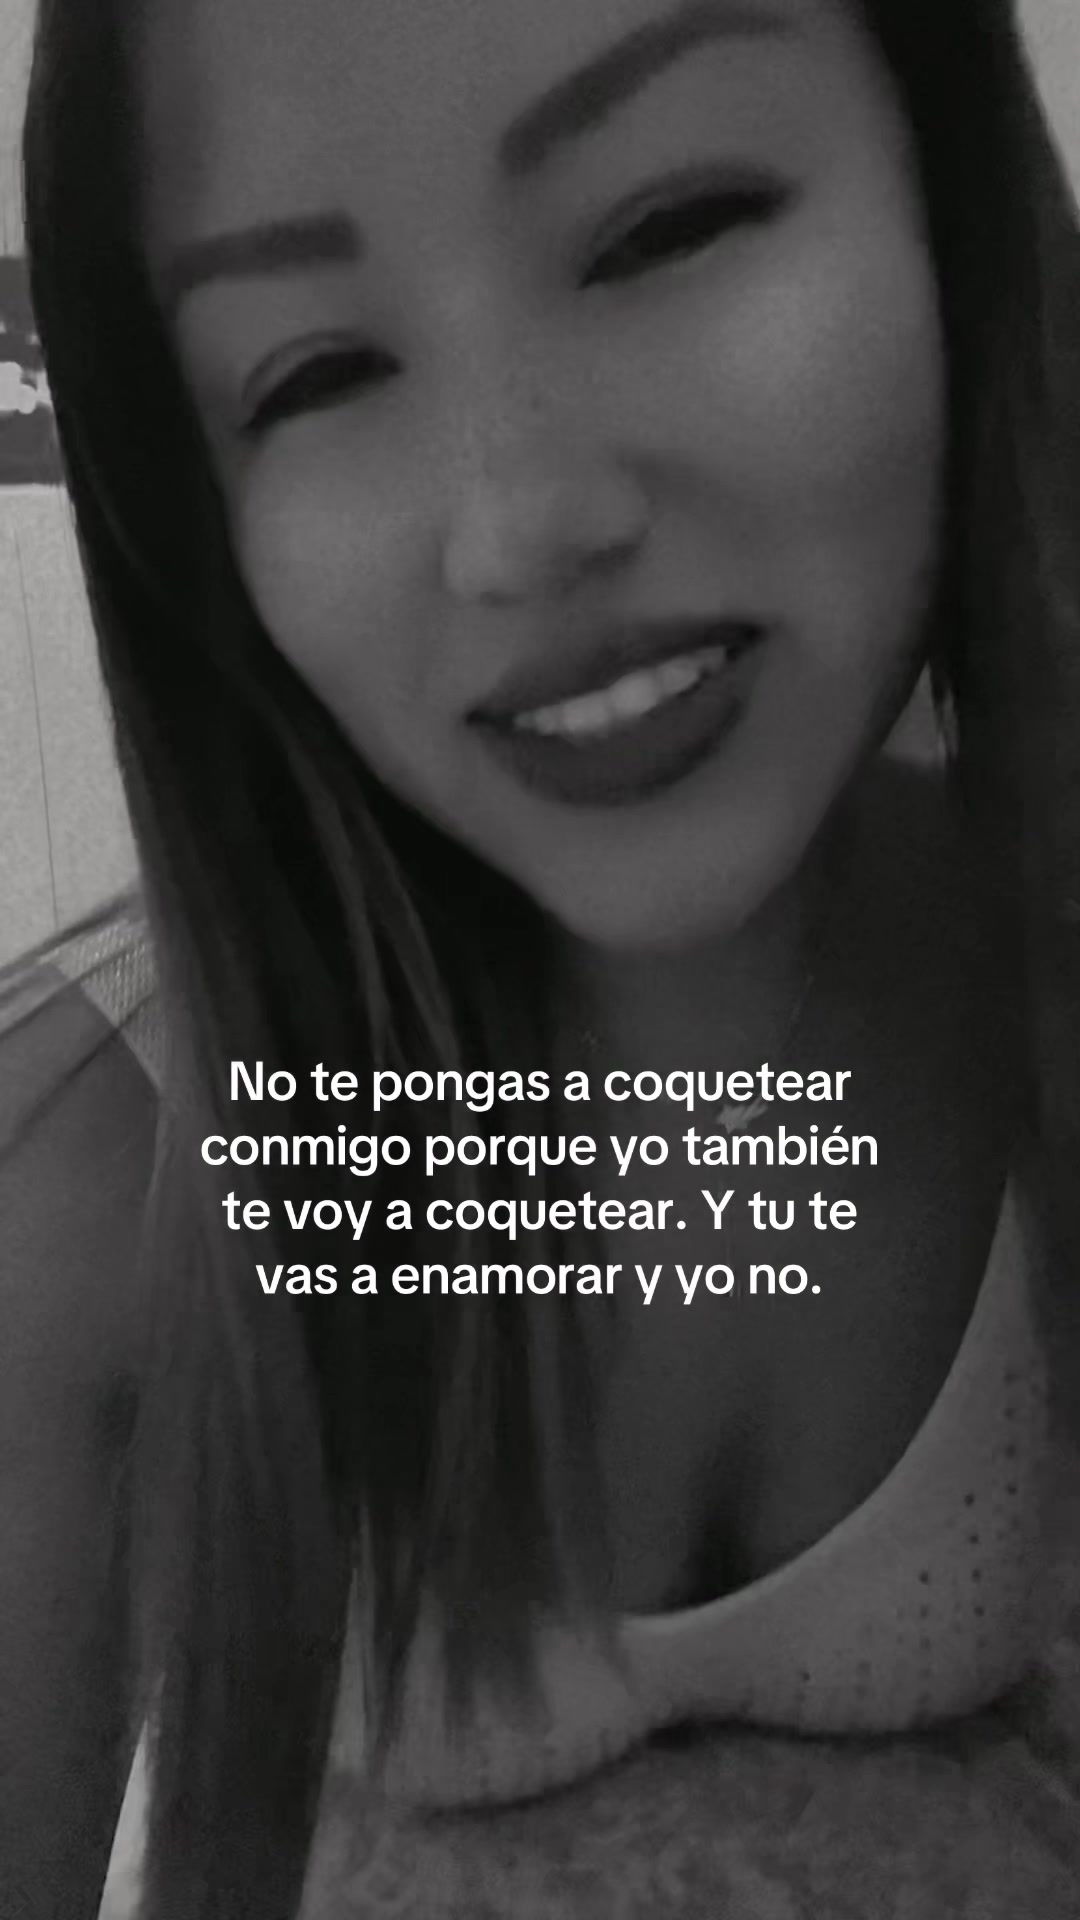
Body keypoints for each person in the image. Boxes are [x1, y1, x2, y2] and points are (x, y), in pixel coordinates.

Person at [4, 0, 1080, 1912]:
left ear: (950, 197)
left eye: (667, 227)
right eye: (320, 370)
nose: (523, 530)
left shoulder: (1030, 966)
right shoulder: (96, 1175)